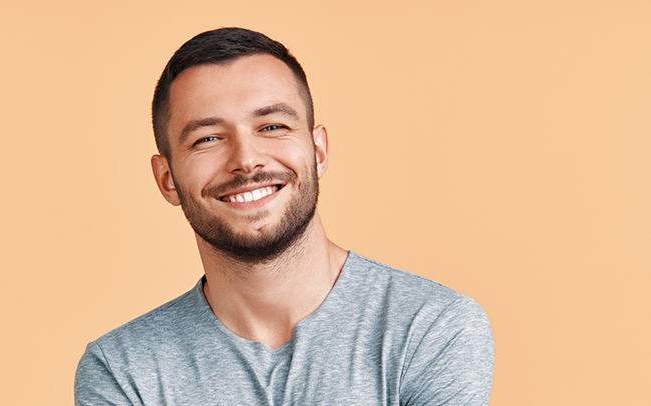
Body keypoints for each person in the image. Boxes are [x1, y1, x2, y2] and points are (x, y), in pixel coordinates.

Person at [75, 27, 494, 405]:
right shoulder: (123, 371)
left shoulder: (430, 327)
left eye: (272, 127)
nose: (246, 160)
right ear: (167, 179)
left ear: (318, 151)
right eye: (208, 138)